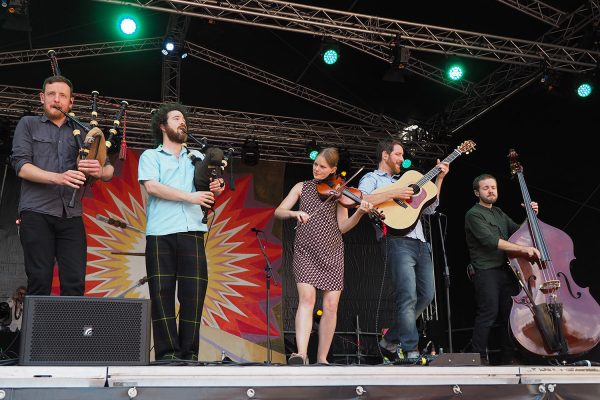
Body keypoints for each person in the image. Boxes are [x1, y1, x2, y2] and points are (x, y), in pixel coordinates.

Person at [10, 75, 114, 296]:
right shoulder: (28, 124)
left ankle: (69, 331)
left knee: (75, 282)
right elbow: (21, 166)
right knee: (39, 279)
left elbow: (109, 169)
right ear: (42, 98)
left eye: (62, 96)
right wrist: (58, 177)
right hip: (36, 211)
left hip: (71, 214)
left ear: (71, 102)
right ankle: (36, 332)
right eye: (51, 94)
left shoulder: (83, 131)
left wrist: (100, 170)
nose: (56, 99)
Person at [138, 102, 225, 361]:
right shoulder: (151, 156)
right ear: (163, 126)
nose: (181, 122)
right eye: (176, 118)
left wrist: (216, 186)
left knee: (194, 295)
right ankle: (166, 355)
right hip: (160, 234)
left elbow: (208, 188)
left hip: (192, 231)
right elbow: (152, 187)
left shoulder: (198, 157)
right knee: (162, 292)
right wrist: (190, 197)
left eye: (184, 119)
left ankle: (189, 354)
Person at [275, 147, 372, 365]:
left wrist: (358, 213)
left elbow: (343, 227)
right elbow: (279, 211)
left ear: (333, 170)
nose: (317, 169)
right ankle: (301, 354)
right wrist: (294, 213)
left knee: (330, 306)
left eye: (322, 167)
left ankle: (321, 358)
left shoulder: (339, 192)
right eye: (315, 164)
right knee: (307, 299)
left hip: (332, 252)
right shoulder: (302, 187)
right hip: (306, 251)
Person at [358, 139, 449, 360]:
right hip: (396, 242)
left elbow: (431, 208)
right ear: (385, 155)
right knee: (406, 296)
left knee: (426, 296)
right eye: (398, 154)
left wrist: (440, 178)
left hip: (420, 242)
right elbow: (359, 199)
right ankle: (410, 350)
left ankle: (389, 340)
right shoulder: (371, 179)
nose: (402, 159)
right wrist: (393, 194)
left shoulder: (406, 180)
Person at [465, 173, 540, 365]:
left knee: (509, 315)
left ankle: (507, 358)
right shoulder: (473, 214)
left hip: (506, 271)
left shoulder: (498, 212)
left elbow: (518, 233)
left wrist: (531, 216)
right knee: (488, 313)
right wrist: (523, 249)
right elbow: (492, 242)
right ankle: (479, 357)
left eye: (493, 187)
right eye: (485, 188)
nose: (491, 191)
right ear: (476, 192)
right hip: (486, 271)